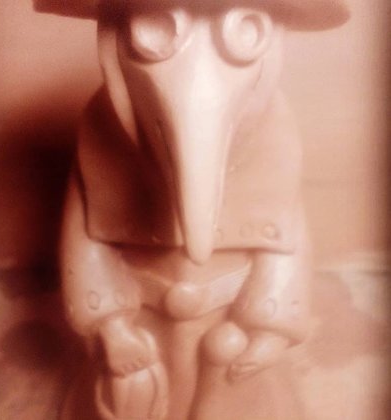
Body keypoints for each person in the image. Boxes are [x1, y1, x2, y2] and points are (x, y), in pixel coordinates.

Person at [34, 1, 350, 419]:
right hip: (142, 325)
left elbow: (286, 245)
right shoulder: (100, 139)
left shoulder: (276, 141)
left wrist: (269, 329)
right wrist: (113, 327)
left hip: (228, 325)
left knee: (233, 378)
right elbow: (84, 247)